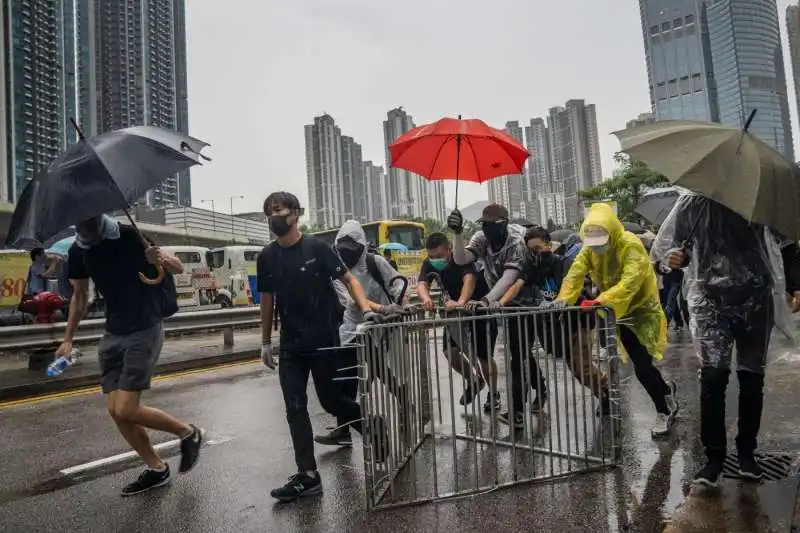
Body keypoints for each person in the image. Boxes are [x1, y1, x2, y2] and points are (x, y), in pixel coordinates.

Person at [652, 194, 800, 487]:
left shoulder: (761, 201)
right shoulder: (693, 206)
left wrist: (796, 284)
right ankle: (714, 459)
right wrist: (675, 260)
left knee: (751, 377)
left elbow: (787, 246)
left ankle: (747, 454)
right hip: (711, 302)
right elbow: (663, 255)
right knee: (713, 376)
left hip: (757, 299)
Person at [55, 214, 202, 496]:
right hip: (113, 331)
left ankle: (188, 432)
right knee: (116, 411)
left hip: (145, 325)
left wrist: (156, 256)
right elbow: (80, 296)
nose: (86, 227)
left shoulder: (128, 235)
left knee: (126, 408)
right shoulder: (77, 250)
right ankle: (157, 469)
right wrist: (67, 339)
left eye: (91, 221)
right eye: (81, 223)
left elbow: (176, 266)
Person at [257, 192, 388, 503]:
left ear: (295, 214)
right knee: (295, 407)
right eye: (269, 212)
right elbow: (266, 298)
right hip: (291, 343)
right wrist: (264, 341)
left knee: (332, 401)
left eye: (279, 209)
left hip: (325, 339)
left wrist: (365, 307)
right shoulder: (267, 256)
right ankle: (308, 475)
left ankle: (369, 425)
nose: (274, 216)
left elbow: (349, 279)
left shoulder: (317, 248)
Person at [554, 203, 678, 438]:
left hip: (642, 312)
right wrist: (563, 298)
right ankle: (665, 391)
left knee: (642, 366)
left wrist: (601, 299)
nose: (598, 247)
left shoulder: (630, 245)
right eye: (593, 243)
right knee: (635, 364)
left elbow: (630, 281)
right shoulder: (589, 249)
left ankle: (663, 411)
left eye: (602, 241)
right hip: (614, 311)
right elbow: (575, 273)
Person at [448, 203, 547, 429]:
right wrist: (457, 235)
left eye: (490, 225)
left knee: (518, 354)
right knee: (519, 352)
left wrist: (486, 300)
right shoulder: (482, 238)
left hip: (528, 303)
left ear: (503, 224)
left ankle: (517, 411)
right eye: (484, 225)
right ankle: (537, 388)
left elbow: (509, 278)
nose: (486, 230)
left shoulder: (516, 240)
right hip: (505, 304)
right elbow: (462, 259)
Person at [499, 226, 610, 414]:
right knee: (577, 369)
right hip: (560, 326)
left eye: (539, 247)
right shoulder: (532, 268)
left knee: (580, 367)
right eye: (531, 250)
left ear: (549, 245)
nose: (536, 253)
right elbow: (517, 284)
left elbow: (577, 286)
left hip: (578, 321)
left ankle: (607, 391)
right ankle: (605, 392)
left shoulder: (565, 263)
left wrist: (562, 300)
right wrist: (500, 302)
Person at [314, 219, 405, 447]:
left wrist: (399, 303)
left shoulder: (376, 263)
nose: (347, 253)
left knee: (384, 372)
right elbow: (351, 301)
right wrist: (381, 308)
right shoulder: (337, 270)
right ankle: (344, 429)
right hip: (353, 329)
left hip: (383, 328)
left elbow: (397, 284)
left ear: (362, 246)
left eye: (352, 247)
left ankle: (407, 406)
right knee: (347, 380)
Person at [417, 232, 500, 412]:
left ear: (449, 249)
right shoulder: (428, 262)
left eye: (439, 256)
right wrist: (426, 299)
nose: (435, 260)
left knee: (484, 356)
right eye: (431, 256)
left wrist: (461, 303)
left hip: (477, 311)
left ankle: (494, 394)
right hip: (454, 315)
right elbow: (422, 283)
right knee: (450, 352)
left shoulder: (461, 259)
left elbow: (468, 280)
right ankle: (474, 380)